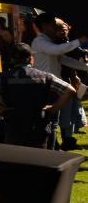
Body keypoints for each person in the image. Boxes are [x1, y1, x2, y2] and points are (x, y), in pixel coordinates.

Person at [0, 42, 76, 149]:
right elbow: (70, 90)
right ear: (31, 58)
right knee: (38, 157)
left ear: (12, 59)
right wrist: (53, 108)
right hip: (38, 127)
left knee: (15, 156)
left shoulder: (1, 77)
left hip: (13, 126)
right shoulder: (45, 77)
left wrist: (0, 109)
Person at [29, 13, 87, 150]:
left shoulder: (47, 41)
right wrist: (80, 41)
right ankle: (51, 150)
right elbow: (56, 51)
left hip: (52, 88)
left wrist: (86, 67)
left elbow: (63, 59)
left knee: (53, 122)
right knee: (50, 123)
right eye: (53, 25)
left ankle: (52, 149)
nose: (56, 28)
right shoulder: (40, 41)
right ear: (44, 26)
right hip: (45, 88)